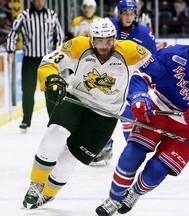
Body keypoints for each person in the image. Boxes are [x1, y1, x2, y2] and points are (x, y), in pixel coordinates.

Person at [95, 19, 189, 216]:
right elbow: (142, 76)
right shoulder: (171, 53)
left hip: (188, 124)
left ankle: (134, 193)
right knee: (131, 155)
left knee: (158, 170)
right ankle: (114, 199)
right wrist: (140, 98)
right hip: (159, 110)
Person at [21, 17, 151, 210]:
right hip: (77, 100)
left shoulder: (131, 51)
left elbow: (157, 70)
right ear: (91, 39)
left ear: (115, 38)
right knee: (55, 134)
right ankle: (36, 184)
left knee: (70, 157)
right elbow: (49, 62)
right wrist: (52, 79)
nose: (105, 45)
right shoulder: (78, 45)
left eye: (109, 40)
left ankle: (48, 194)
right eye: (99, 40)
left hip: (107, 114)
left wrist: (147, 96)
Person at [89, 0, 157, 166]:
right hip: (108, 81)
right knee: (102, 116)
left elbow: (153, 60)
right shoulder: (110, 26)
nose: (128, 17)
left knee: (128, 117)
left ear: (136, 15)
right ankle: (105, 148)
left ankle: (133, 151)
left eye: (131, 14)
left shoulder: (144, 33)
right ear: (119, 14)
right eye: (125, 13)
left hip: (130, 81)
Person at [5, 0, 64, 132]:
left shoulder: (51, 15)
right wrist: (10, 51)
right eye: (36, 0)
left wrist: (58, 55)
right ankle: (26, 120)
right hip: (29, 59)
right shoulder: (24, 16)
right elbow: (13, 33)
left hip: (47, 60)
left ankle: (53, 121)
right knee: (27, 90)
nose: (39, 2)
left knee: (51, 89)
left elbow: (59, 36)